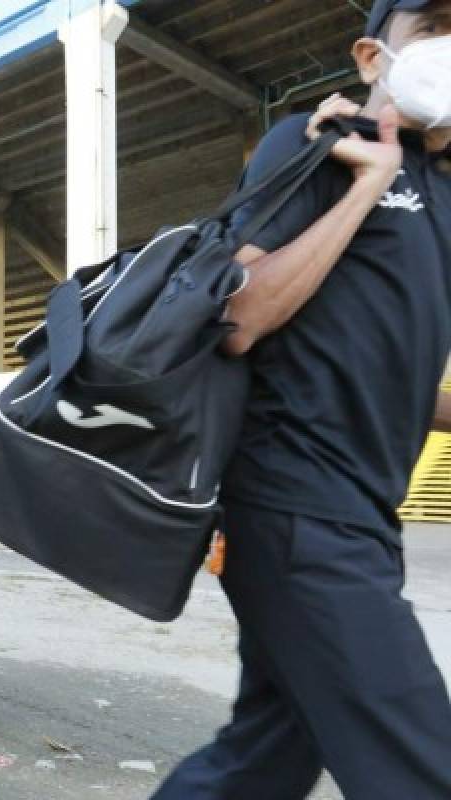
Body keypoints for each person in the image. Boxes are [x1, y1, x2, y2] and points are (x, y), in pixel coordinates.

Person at [153, 2, 451, 797]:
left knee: (266, 755)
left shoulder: (444, 201)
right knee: (423, 766)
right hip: (296, 507)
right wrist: (364, 186)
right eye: (436, 26)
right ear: (369, 57)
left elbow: (398, 376)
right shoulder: (315, 144)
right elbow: (239, 317)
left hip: (362, 515)